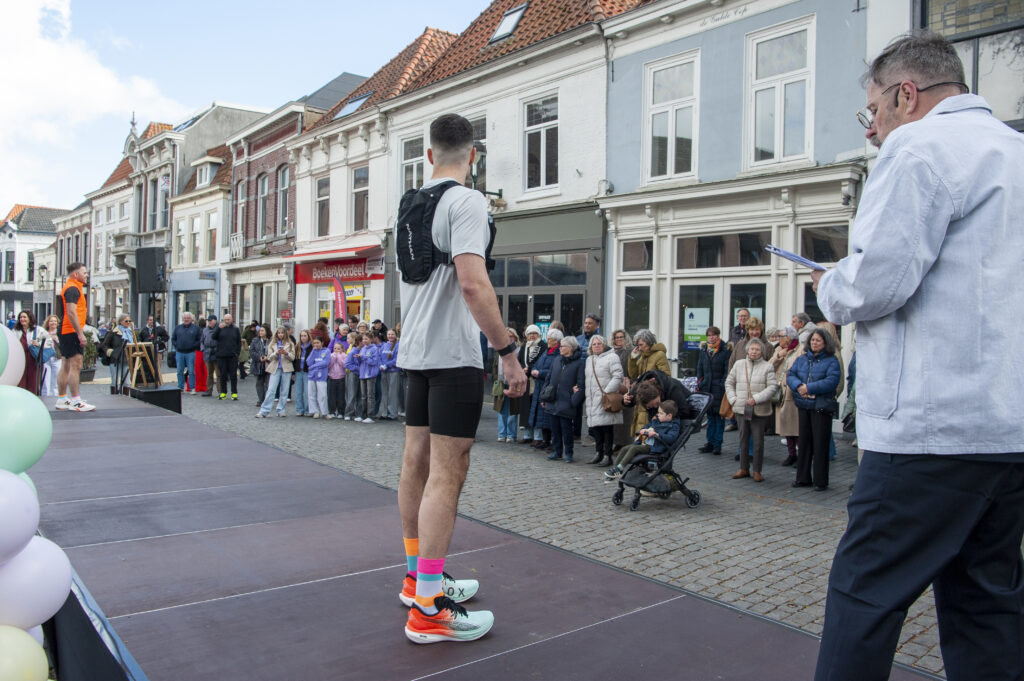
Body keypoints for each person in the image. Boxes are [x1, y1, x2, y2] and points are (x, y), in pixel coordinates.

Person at [808, 32, 1024, 681]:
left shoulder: (919, 147)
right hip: (1008, 429)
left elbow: (877, 283)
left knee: (863, 598)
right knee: (986, 606)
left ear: (907, 95)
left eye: (873, 109)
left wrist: (829, 284)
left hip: (929, 431)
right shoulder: (1015, 152)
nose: (871, 128)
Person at [396, 113, 527, 644]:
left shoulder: (410, 204)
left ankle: (417, 579)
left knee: (416, 464)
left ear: (429, 156)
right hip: (453, 355)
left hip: (417, 352)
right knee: (448, 472)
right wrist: (508, 353)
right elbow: (473, 284)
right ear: (473, 156)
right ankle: (429, 607)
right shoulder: (468, 201)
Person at [786, 329, 840, 491]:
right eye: (812, 340)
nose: (814, 343)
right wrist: (799, 386)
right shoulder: (802, 359)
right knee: (804, 444)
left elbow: (831, 381)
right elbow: (791, 375)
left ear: (825, 343)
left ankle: (820, 481)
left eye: (818, 340)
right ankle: (802, 478)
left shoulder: (832, 361)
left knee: (820, 445)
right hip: (804, 406)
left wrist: (809, 388)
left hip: (821, 407)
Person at [725, 338, 778, 482]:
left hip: (759, 409)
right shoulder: (739, 364)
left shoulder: (767, 366)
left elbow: (772, 387)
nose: (754, 352)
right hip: (741, 408)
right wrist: (733, 399)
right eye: (752, 349)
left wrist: (757, 398)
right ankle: (743, 468)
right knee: (743, 439)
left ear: (762, 352)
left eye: (757, 349)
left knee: (758, 441)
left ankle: (757, 470)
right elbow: (729, 382)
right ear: (747, 350)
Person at [604, 398, 681, 480]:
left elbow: (671, 438)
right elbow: (647, 426)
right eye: (658, 412)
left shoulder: (673, 426)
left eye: (661, 413)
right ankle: (615, 469)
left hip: (655, 447)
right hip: (647, 443)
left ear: (669, 416)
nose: (658, 415)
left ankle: (620, 468)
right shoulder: (656, 420)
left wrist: (657, 434)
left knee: (634, 448)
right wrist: (644, 429)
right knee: (625, 448)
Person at [55, 262, 95, 412]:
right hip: (71, 330)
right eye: (84, 272)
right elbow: (71, 312)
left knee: (66, 364)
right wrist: (80, 333)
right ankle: (76, 401)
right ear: (76, 274)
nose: (87, 275)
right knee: (75, 365)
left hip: (66, 330)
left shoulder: (71, 286)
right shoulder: (73, 288)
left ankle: (62, 398)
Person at [541, 335, 585, 462]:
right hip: (553, 399)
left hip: (567, 401)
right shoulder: (557, 360)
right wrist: (543, 397)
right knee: (555, 429)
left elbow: (581, 385)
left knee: (567, 430)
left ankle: (569, 453)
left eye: (563, 346)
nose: (560, 348)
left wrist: (573, 401)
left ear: (570, 348)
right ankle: (557, 452)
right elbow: (548, 379)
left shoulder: (579, 364)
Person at [581, 334, 623, 466]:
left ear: (604, 345)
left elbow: (618, 376)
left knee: (607, 428)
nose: (597, 346)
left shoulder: (612, 357)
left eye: (599, 343)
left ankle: (607, 455)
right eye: (594, 344)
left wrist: (606, 391)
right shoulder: (589, 360)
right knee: (596, 427)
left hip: (605, 398)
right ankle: (598, 452)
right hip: (592, 398)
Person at [626, 329, 670, 437]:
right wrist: (632, 359)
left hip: (652, 398)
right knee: (640, 429)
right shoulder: (643, 356)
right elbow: (633, 374)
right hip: (643, 397)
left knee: (647, 429)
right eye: (637, 345)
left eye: (641, 345)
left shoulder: (659, 355)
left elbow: (666, 376)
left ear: (649, 342)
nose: (639, 348)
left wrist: (652, 382)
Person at [696, 326, 730, 455]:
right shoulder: (704, 350)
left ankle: (717, 444)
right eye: (709, 335)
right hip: (706, 388)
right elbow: (700, 368)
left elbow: (727, 371)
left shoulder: (725, 350)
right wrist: (700, 382)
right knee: (710, 416)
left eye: (714, 335)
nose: (711, 338)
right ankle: (709, 443)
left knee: (719, 417)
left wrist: (722, 385)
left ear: (718, 336)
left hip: (718, 388)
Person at [771, 325, 802, 466]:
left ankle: (801, 455)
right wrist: (778, 356)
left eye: (781, 336)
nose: (778, 339)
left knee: (795, 427)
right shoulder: (779, 349)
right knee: (785, 427)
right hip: (781, 393)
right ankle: (791, 454)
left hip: (793, 393)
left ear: (788, 337)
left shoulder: (800, 349)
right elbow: (769, 366)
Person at [527, 329, 561, 449]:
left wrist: (540, 373)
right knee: (541, 415)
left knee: (548, 416)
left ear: (556, 341)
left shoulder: (558, 354)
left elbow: (555, 371)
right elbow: (537, 364)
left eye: (550, 339)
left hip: (549, 388)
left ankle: (551, 441)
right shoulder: (546, 351)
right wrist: (534, 370)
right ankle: (545, 440)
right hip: (540, 386)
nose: (548, 341)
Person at [256, 327, 294, 418]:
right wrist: (276, 353)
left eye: (282, 333)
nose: (280, 334)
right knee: (271, 390)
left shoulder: (290, 344)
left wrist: (286, 353)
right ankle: (264, 410)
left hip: (286, 368)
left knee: (284, 391)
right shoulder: (272, 344)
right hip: (275, 368)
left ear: (285, 334)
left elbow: (293, 357)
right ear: (276, 334)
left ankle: (281, 409)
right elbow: (269, 357)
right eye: (279, 333)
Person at [491, 328, 521, 442]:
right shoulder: (500, 350)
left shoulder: (519, 350)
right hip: (502, 383)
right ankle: (502, 433)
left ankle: (511, 435)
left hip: (514, 383)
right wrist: (496, 378)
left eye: (511, 336)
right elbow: (495, 366)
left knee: (512, 411)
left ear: (515, 338)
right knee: (501, 410)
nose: (509, 338)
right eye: (506, 336)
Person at [516, 325, 544, 443]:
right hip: (526, 381)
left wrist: (530, 368)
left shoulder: (542, 346)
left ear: (538, 334)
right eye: (530, 334)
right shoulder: (524, 347)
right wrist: (522, 369)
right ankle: (527, 435)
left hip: (538, 381)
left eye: (534, 333)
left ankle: (538, 436)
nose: (532, 336)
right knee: (525, 409)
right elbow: (519, 361)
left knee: (536, 409)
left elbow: (543, 363)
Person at [610, 329, 635, 451]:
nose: (619, 339)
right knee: (615, 416)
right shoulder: (611, 352)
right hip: (614, 386)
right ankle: (617, 442)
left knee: (626, 417)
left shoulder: (630, 351)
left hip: (626, 386)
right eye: (617, 337)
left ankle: (626, 442)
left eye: (621, 337)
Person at [14, 311, 45, 395]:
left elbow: (49, 342)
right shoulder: (16, 330)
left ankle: (33, 398)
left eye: (24, 317)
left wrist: (39, 344)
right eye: (20, 317)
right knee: (21, 382)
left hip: (33, 359)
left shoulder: (38, 330)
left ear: (30, 318)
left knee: (33, 382)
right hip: (20, 360)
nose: (22, 319)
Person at [211, 313, 241, 400]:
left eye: (229, 319)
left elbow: (239, 342)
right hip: (221, 355)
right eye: (226, 319)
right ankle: (223, 392)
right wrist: (218, 329)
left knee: (233, 375)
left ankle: (234, 393)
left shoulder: (236, 329)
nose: (227, 321)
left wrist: (237, 353)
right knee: (222, 375)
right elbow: (213, 337)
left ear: (232, 319)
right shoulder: (220, 328)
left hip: (232, 356)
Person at [100, 314, 133, 388]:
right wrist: (110, 352)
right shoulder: (113, 333)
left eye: (129, 321)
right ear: (120, 322)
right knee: (115, 382)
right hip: (115, 359)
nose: (128, 322)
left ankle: (125, 395)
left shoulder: (131, 332)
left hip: (127, 359)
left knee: (127, 382)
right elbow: (104, 345)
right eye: (126, 321)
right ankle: (114, 394)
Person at [172, 312, 201, 393]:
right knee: (179, 371)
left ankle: (192, 388)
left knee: (191, 371)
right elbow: (173, 338)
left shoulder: (196, 328)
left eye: (188, 318)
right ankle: (180, 387)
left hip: (191, 352)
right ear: (182, 319)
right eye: (185, 318)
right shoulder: (177, 328)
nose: (186, 319)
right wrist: (177, 345)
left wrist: (193, 346)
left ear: (191, 319)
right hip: (179, 352)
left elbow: (199, 339)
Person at [353, 332, 379, 423]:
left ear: (371, 339)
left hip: (371, 374)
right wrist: (358, 358)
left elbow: (374, 362)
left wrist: (363, 357)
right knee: (363, 396)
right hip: (362, 374)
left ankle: (370, 415)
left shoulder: (374, 349)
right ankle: (363, 415)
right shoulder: (363, 348)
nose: (364, 341)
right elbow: (360, 362)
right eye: (363, 339)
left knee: (370, 395)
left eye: (366, 339)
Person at [377, 329, 401, 420]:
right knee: (384, 393)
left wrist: (387, 365)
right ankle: (384, 412)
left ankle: (392, 413)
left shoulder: (398, 345)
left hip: (393, 371)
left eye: (392, 334)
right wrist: (380, 365)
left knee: (392, 393)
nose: (390, 336)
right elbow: (379, 357)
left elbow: (397, 359)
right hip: (384, 371)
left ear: (396, 335)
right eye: (389, 334)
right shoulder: (384, 345)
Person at [305, 336, 330, 418]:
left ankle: (324, 412)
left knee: (322, 395)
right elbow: (308, 362)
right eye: (314, 343)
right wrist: (313, 351)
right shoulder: (313, 351)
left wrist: (313, 366)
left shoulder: (326, 351)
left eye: (317, 343)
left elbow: (325, 363)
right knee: (311, 394)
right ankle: (314, 411)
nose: (316, 345)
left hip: (321, 375)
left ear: (322, 343)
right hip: (312, 376)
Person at [40, 315, 62, 396]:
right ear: (48, 323)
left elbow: (63, 346)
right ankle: (45, 395)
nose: (53, 323)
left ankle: (56, 396)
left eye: (55, 321)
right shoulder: (43, 333)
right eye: (51, 321)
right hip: (46, 358)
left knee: (56, 379)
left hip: (57, 357)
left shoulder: (59, 333)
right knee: (45, 378)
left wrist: (56, 339)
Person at [249, 324, 270, 407]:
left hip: (268, 364)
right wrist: (259, 357)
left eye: (262, 331)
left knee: (268, 384)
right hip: (258, 364)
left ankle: (267, 400)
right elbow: (251, 351)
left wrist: (267, 357)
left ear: (267, 331)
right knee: (259, 383)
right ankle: (261, 400)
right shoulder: (255, 340)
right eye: (260, 331)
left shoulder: (271, 340)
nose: (260, 332)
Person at [343, 332, 362, 421]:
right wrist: (359, 369)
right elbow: (347, 364)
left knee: (360, 395)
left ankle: (359, 414)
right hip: (353, 374)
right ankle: (348, 413)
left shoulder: (363, 351)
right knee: (352, 394)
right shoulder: (352, 352)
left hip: (361, 375)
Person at [293, 330, 312, 416]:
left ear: (308, 336)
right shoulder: (297, 347)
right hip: (298, 371)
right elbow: (294, 360)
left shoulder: (312, 347)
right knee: (298, 392)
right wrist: (293, 372)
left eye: (305, 336)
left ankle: (308, 410)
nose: (303, 338)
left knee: (308, 392)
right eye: (301, 336)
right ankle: (299, 409)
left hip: (307, 371)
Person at [327, 340, 347, 418]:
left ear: (342, 349)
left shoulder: (344, 356)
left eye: (338, 349)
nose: (336, 350)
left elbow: (344, 365)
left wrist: (338, 358)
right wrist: (333, 358)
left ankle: (341, 412)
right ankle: (332, 411)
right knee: (331, 396)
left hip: (341, 378)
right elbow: (328, 365)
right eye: (335, 348)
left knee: (341, 396)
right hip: (331, 378)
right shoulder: (331, 355)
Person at [199, 315, 219, 396]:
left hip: (217, 353)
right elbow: (202, 341)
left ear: (215, 320)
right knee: (209, 374)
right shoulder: (205, 330)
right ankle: (209, 390)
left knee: (219, 374)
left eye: (211, 320)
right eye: (209, 320)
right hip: (207, 353)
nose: (209, 322)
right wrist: (203, 349)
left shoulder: (219, 329)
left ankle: (220, 391)